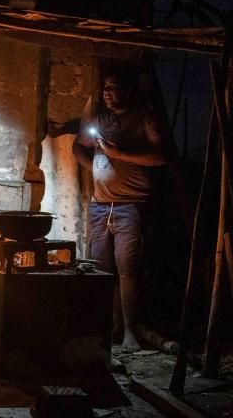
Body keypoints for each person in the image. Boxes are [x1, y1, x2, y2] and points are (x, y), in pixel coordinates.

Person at [73, 67, 172, 353]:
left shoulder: (146, 118)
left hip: (131, 206)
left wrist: (120, 155)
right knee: (101, 269)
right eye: (105, 87)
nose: (107, 92)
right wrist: (93, 165)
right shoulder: (100, 120)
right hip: (100, 206)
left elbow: (162, 156)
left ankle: (130, 331)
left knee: (127, 270)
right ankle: (106, 328)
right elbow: (79, 146)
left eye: (113, 87)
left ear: (128, 90)